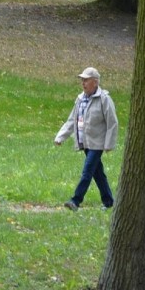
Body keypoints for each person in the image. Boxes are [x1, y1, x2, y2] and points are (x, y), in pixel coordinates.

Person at [54, 67, 118, 211]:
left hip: (97, 143)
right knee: (98, 173)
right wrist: (60, 137)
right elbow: (72, 120)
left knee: (87, 171)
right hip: (86, 142)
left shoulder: (104, 99)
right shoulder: (80, 99)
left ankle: (75, 200)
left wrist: (109, 144)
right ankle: (109, 202)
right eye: (82, 80)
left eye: (86, 80)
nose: (83, 83)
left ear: (95, 82)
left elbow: (112, 122)